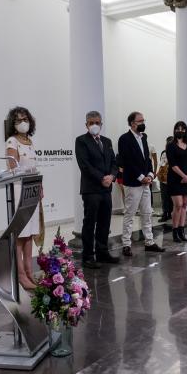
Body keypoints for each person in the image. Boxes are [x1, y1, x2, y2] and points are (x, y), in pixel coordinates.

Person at [74, 111, 120, 269]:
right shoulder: (81, 141)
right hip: (91, 189)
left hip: (106, 189)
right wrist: (102, 178)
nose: (94, 125)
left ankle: (102, 252)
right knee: (89, 223)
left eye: (97, 122)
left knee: (104, 222)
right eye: (91, 123)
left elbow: (114, 162)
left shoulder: (107, 141)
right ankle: (88, 256)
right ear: (86, 124)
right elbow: (85, 165)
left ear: (101, 124)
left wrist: (112, 176)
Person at [5, 107, 42, 290]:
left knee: (30, 234)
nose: (23, 123)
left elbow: (34, 167)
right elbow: (13, 168)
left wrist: (39, 186)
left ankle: (29, 271)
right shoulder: (12, 141)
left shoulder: (29, 141)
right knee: (20, 235)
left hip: (32, 189)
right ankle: (20, 274)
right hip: (20, 191)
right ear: (13, 124)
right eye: (18, 120)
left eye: (25, 119)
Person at [118, 111, 165, 256]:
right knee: (130, 214)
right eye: (140, 121)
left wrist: (150, 175)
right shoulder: (124, 139)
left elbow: (147, 159)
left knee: (147, 212)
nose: (143, 123)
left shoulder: (144, 137)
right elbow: (127, 161)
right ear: (132, 123)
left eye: (144, 120)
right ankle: (126, 244)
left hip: (146, 182)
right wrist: (141, 177)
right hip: (133, 183)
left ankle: (149, 242)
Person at [167, 121, 187, 242]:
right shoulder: (170, 145)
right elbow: (172, 164)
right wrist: (183, 176)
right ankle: (175, 231)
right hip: (175, 179)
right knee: (178, 204)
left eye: (183, 129)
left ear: (186, 131)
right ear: (174, 130)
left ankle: (181, 230)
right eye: (178, 129)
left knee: (184, 205)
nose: (180, 131)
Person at [157, 136, 174, 222]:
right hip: (163, 179)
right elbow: (161, 164)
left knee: (171, 198)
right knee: (164, 197)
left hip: (172, 178)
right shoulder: (164, 153)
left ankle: (170, 214)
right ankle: (165, 214)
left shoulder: (176, 152)